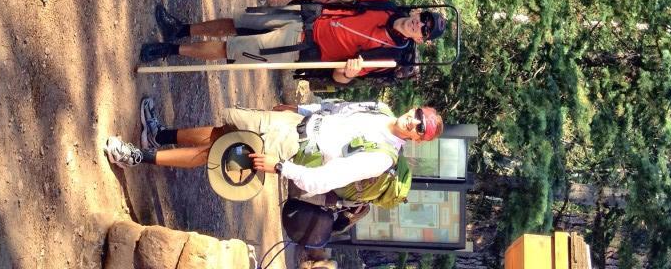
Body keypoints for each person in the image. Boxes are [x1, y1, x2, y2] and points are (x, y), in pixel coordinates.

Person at [104, 98, 444, 201]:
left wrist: (280, 168)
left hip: (291, 150)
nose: (413, 122)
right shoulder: (382, 110)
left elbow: (322, 181)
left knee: (219, 152)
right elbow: (337, 108)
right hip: (295, 123)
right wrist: (302, 108)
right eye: (418, 116)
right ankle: (159, 135)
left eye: (420, 128)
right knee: (227, 127)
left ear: (417, 140)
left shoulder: (381, 158)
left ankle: (137, 157)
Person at [139, 0, 448, 85]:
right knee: (236, 22)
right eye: (424, 19)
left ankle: (170, 49)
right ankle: (181, 30)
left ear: (421, 40)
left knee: (230, 48)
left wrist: (347, 72)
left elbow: (341, 78)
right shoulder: (384, 3)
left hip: (299, 48)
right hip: (304, 18)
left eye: (425, 30)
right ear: (420, 11)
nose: (418, 25)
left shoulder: (390, 57)